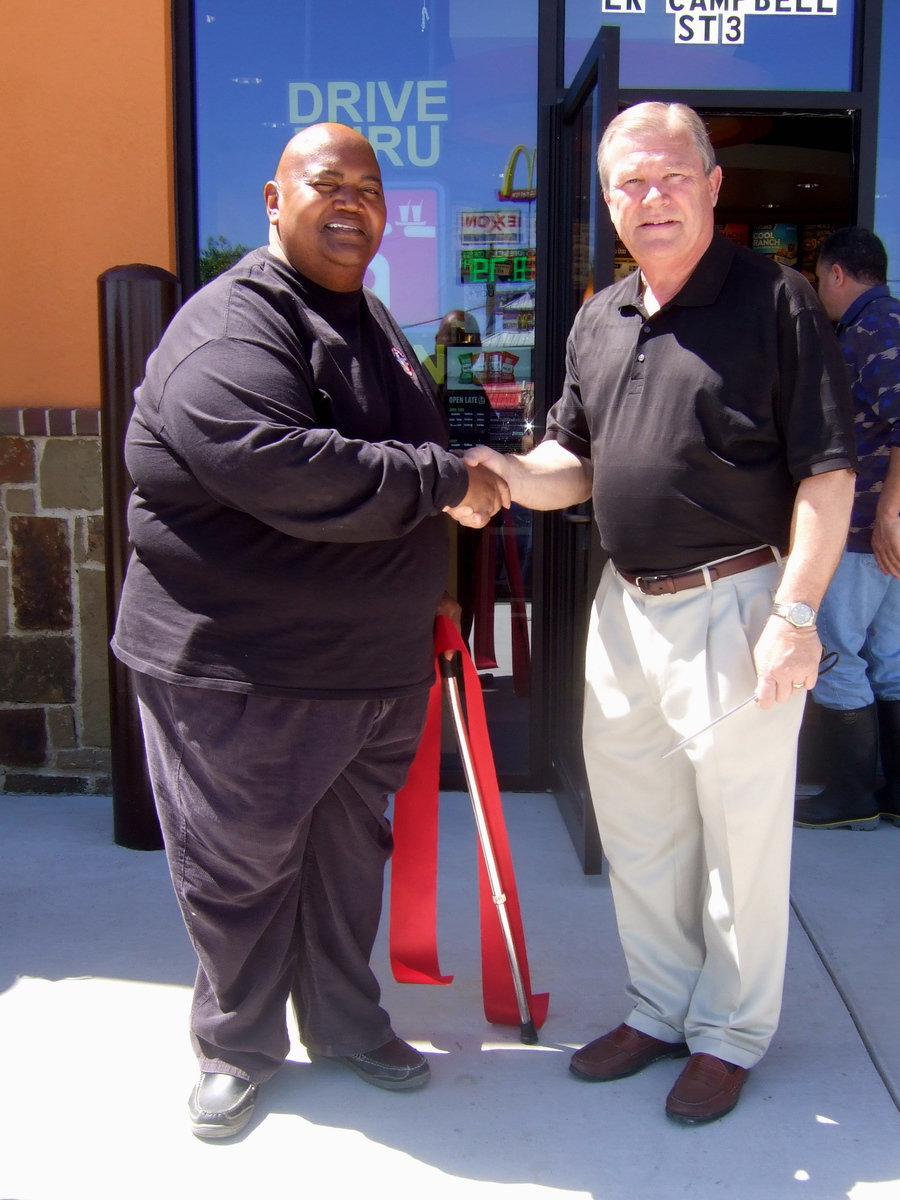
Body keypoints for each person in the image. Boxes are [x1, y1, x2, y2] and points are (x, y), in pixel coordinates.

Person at [458, 102, 856, 1125]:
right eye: (631, 182)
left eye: (673, 175)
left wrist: (797, 615)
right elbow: (571, 465)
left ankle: (729, 1032)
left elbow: (827, 473)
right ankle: (662, 1005)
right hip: (622, 609)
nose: (653, 196)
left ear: (714, 185)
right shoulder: (601, 315)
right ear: (607, 201)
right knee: (639, 831)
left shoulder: (776, 302)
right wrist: (502, 468)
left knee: (741, 839)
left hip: (742, 604)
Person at [111, 122, 508, 1140]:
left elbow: (417, 463)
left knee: (345, 859)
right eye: (325, 184)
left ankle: (343, 1021)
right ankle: (235, 1046)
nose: (350, 205)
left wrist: (442, 591)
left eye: (369, 190)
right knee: (237, 868)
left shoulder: (372, 319)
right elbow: (280, 463)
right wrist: (449, 481)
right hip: (244, 673)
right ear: (273, 199)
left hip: (370, 669)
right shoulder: (233, 325)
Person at [794, 227, 900, 828]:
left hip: (865, 528)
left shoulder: (872, 330)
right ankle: (891, 794)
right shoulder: (887, 322)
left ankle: (851, 794)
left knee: (837, 651)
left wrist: (888, 515)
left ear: (836, 273)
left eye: (819, 280)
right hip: (883, 531)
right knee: (890, 656)